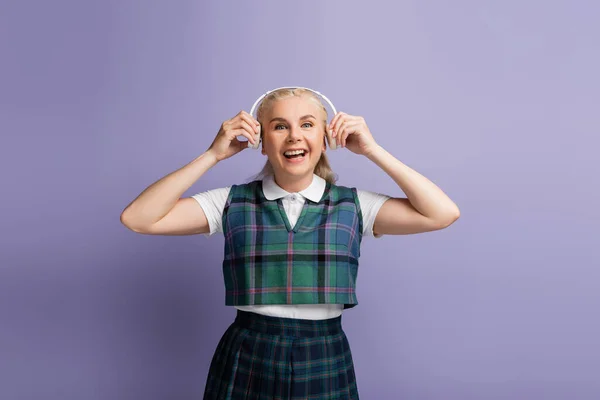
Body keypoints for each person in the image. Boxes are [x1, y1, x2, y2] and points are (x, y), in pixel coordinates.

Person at [120, 87, 460, 399]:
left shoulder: (355, 205)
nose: (294, 135)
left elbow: (442, 213)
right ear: (261, 142)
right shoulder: (229, 202)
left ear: (326, 138)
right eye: (280, 126)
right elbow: (138, 218)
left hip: (325, 351)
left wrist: (372, 150)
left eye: (308, 124)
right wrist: (212, 155)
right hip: (248, 352)